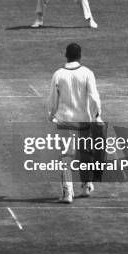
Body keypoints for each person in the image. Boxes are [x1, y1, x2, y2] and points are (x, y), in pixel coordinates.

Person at [48, 43, 102, 203]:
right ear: (80, 56)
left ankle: (67, 193)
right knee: (85, 154)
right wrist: (97, 115)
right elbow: (94, 96)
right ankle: (85, 186)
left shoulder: (58, 74)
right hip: (83, 120)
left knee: (66, 156)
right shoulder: (87, 73)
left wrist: (51, 114)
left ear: (66, 55)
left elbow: (52, 97)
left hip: (64, 120)